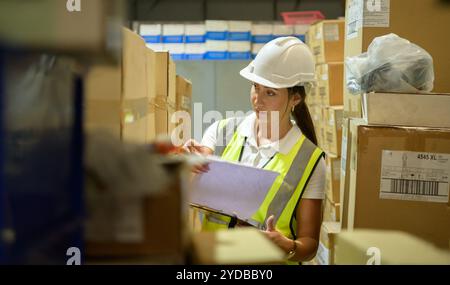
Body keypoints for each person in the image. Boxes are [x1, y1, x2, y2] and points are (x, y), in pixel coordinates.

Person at [184, 36, 325, 264]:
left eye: (270, 93)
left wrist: (287, 246)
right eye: (255, 87)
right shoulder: (221, 132)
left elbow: (309, 245)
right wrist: (188, 164)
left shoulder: (309, 160)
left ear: (295, 99)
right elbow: (190, 188)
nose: (257, 100)